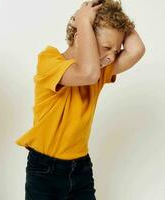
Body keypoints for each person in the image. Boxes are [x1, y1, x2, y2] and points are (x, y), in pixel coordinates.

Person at [16, 0, 145, 199]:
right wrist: (84, 21)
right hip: (45, 169)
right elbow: (88, 73)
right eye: (106, 47)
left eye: (116, 51)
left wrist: (114, 15)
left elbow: (136, 50)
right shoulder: (49, 61)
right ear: (79, 37)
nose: (111, 57)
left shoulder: (100, 70)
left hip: (81, 167)